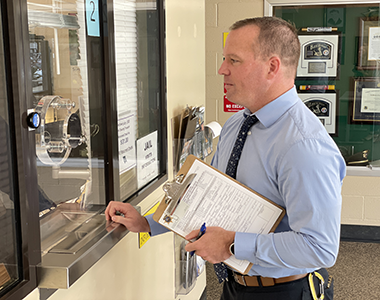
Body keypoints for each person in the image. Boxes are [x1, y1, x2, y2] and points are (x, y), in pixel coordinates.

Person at [105, 16, 346, 300]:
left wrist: (232, 244)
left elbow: (320, 248)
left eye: (234, 60)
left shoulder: (303, 145)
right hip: (235, 285)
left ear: (272, 67)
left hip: (284, 292)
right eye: (224, 59)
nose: (222, 70)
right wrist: (148, 223)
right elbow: (208, 197)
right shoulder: (237, 124)